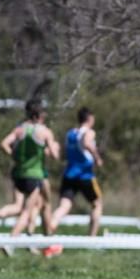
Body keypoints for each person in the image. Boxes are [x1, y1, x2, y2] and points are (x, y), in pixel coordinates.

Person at [0, 100, 60, 250]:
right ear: (39, 115)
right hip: (34, 175)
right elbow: (55, 155)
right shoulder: (44, 132)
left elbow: (4, 143)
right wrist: (53, 147)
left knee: (17, 206)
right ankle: (10, 242)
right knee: (27, 211)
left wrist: (14, 155)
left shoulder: (19, 129)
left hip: (18, 173)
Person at [44, 107, 104, 251]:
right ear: (89, 119)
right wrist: (97, 158)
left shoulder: (70, 134)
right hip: (85, 176)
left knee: (64, 206)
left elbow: (68, 151)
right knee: (97, 204)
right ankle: (92, 241)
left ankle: (50, 227)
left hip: (69, 174)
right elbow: (87, 143)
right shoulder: (89, 132)